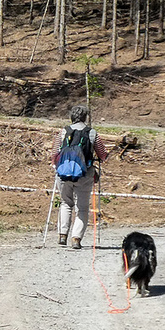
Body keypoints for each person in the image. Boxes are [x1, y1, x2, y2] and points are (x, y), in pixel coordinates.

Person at [52, 103, 107, 249]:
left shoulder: (64, 131)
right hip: (84, 173)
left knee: (65, 203)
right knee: (82, 208)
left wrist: (55, 165)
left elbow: (55, 153)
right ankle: (76, 239)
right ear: (85, 117)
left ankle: (62, 235)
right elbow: (102, 155)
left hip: (63, 173)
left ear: (72, 117)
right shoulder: (92, 133)